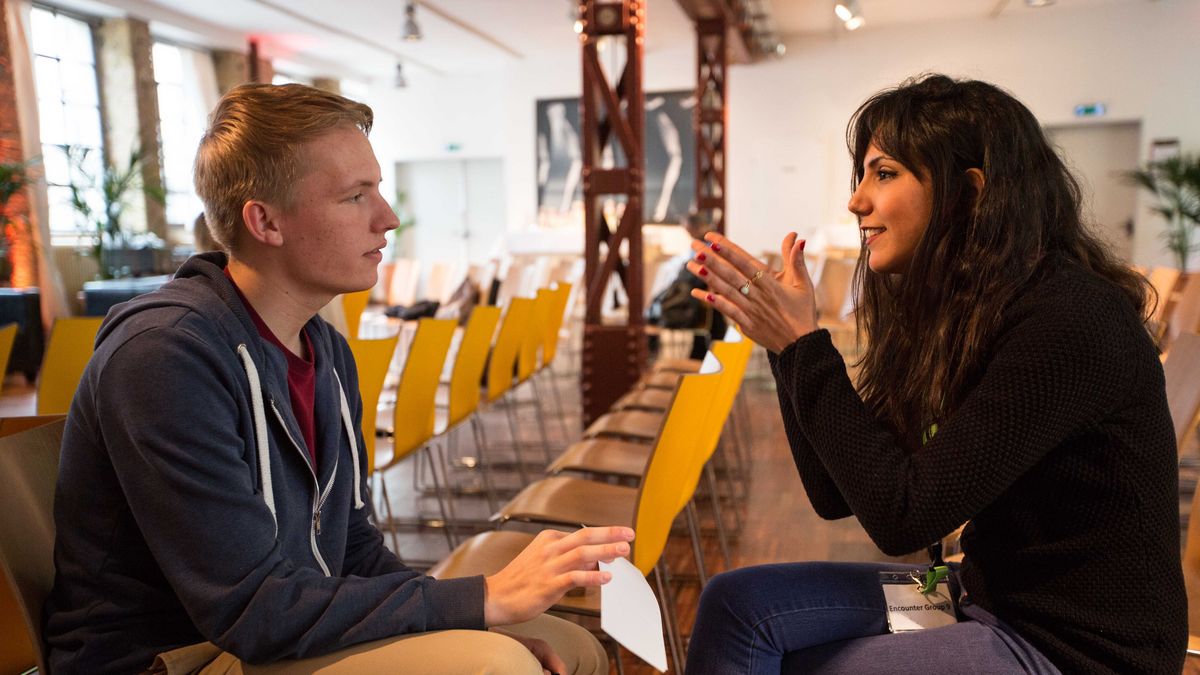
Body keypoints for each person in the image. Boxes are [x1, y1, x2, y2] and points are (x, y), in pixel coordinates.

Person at [44, 83, 634, 675]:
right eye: (355, 196)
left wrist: (466, 618)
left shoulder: (323, 349)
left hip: (271, 632)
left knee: (572, 645)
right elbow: (250, 607)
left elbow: (350, 546)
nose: (389, 218)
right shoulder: (166, 357)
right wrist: (480, 601)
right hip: (175, 656)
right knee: (496, 666)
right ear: (265, 221)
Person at [683, 74, 1185, 674]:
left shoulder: (1069, 319)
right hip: (978, 596)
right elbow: (835, 493)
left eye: (884, 173)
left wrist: (802, 345)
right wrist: (782, 342)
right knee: (737, 605)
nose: (856, 200)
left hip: (1070, 648)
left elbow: (904, 516)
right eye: (861, 175)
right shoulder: (968, 309)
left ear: (967, 193)